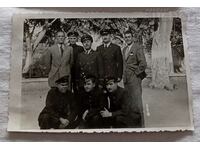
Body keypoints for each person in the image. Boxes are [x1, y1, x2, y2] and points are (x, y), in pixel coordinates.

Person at [123, 30, 147, 127]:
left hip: (135, 78)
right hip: (126, 79)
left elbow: (143, 64)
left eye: (129, 36)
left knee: (137, 102)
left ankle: (141, 126)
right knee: (129, 101)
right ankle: (132, 124)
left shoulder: (138, 47)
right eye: (126, 37)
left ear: (132, 37)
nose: (127, 38)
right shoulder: (124, 49)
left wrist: (135, 74)